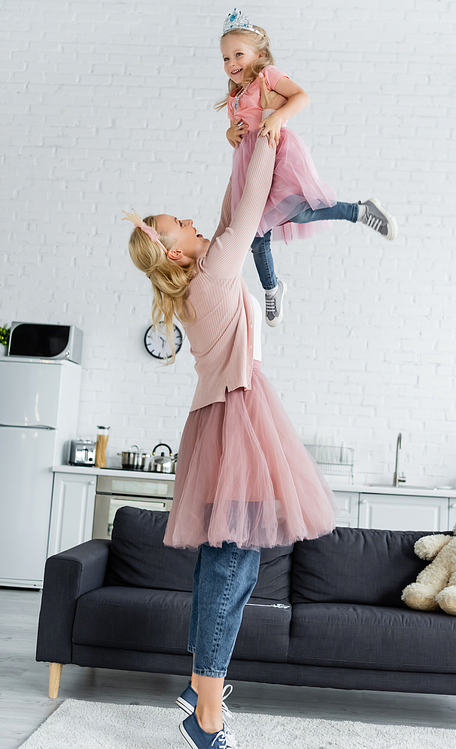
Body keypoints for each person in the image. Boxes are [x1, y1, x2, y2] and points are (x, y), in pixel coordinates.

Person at [123, 96, 336, 749]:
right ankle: (206, 714)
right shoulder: (213, 270)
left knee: (236, 562)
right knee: (230, 561)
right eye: (175, 222)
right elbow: (246, 214)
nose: (190, 219)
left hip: (229, 416)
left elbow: (227, 208)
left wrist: (242, 141)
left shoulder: (202, 269)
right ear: (174, 250)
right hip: (235, 417)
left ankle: (199, 686)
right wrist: (269, 132)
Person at [218, 8, 398, 327]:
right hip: (248, 164)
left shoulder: (267, 75)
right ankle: (271, 287)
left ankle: (359, 211)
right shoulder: (235, 95)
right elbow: (236, 132)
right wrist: (230, 132)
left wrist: (277, 116)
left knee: (298, 212)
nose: (231, 64)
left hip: (276, 153)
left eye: (237, 55)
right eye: (225, 58)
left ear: (257, 54)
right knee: (255, 233)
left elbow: (302, 97)